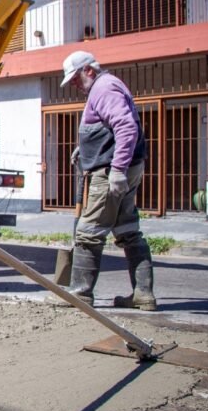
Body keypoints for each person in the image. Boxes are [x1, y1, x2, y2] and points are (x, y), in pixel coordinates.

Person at [59, 50, 156, 310]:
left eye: (76, 79)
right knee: (127, 230)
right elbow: (110, 128)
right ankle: (143, 294)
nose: (75, 86)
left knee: (89, 232)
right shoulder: (108, 87)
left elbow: (125, 127)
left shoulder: (103, 88)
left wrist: (116, 169)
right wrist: (86, 148)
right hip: (121, 167)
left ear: (89, 70)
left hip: (110, 172)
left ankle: (80, 293)